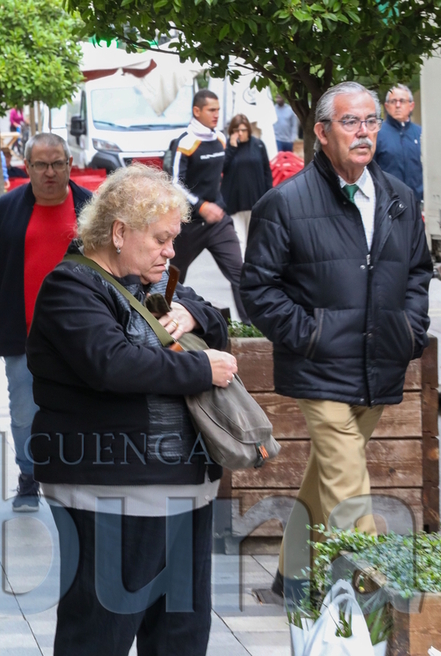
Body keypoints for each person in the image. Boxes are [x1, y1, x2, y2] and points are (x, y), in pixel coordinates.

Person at [28, 165, 234, 656]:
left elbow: (214, 319)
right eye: (161, 239)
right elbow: (111, 365)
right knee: (102, 630)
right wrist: (201, 370)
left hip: (183, 484)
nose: (171, 251)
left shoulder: (153, 281)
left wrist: (195, 314)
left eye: (173, 239)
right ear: (119, 232)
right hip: (111, 487)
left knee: (180, 633)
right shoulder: (71, 286)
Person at [241, 81, 432, 602]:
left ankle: (290, 577)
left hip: (381, 360)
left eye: (370, 121)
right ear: (322, 133)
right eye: (351, 122)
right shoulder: (283, 203)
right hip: (320, 365)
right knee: (349, 482)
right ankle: (381, 594)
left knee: (327, 471)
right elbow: (256, 289)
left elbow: (418, 271)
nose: (365, 131)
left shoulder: (399, 196)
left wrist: (410, 328)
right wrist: (310, 334)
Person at [0, 133, 91, 512]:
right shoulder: (6, 211)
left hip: (85, 334)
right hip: (25, 334)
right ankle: (29, 475)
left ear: (69, 165)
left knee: (84, 407)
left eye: (57, 164)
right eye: (41, 165)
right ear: (27, 167)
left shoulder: (91, 209)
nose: (50, 172)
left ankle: (79, 473)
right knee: (25, 412)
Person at [169, 89, 249, 323]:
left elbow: (217, 176)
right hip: (188, 225)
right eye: (211, 110)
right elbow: (174, 183)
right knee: (172, 277)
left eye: (218, 110)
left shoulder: (221, 139)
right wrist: (201, 205)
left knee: (240, 274)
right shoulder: (184, 142)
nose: (216, 115)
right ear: (197, 111)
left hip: (218, 223)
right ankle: (161, 325)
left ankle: (251, 329)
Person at [220, 114, 273, 257]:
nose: (240, 133)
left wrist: (269, 197)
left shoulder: (258, 145)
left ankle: (251, 271)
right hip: (234, 202)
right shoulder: (227, 146)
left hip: (255, 201)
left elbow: (266, 172)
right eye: (237, 130)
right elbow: (221, 168)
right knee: (239, 241)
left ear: (249, 130)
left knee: (254, 239)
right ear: (231, 131)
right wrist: (231, 147)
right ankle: (240, 274)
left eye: (243, 130)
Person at [374, 83, 423, 204]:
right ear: (386, 106)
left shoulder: (421, 133)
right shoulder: (376, 134)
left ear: (411, 106)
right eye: (393, 101)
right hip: (389, 205)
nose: (397, 105)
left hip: (418, 204)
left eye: (402, 101)